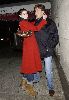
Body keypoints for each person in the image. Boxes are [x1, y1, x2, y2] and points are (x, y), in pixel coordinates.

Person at [17, 8, 47, 96]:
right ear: (20, 15)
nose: (26, 15)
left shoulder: (25, 22)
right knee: (30, 66)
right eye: (23, 14)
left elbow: (32, 24)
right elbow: (36, 28)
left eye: (26, 13)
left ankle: (23, 83)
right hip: (30, 47)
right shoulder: (23, 22)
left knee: (28, 64)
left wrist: (38, 19)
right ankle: (29, 87)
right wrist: (44, 20)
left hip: (29, 46)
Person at [33, 4, 55, 96]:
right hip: (37, 50)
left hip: (46, 50)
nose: (35, 12)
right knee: (36, 67)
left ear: (43, 12)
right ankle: (36, 80)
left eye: (37, 10)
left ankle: (50, 87)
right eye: (35, 10)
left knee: (48, 70)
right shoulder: (35, 22)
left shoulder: (49, 22)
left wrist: (49, 47)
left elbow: (55, 36)